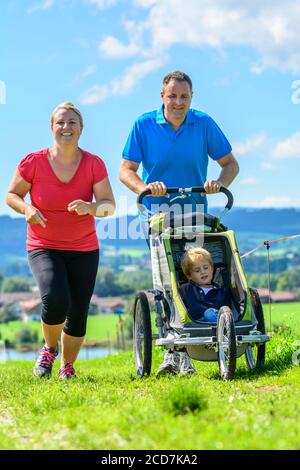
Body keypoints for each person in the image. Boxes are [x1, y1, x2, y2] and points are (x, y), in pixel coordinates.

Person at [119, 70, 239, 376]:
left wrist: (217, 183)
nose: (178, 102)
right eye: (172, 96)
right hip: (157, 216)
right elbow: (126, 170)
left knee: (192, 277)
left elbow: (230, 165)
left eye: (184, 97)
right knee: (165, 281)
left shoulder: (204, 123)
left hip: (195, 215)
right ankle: (172, 354)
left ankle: (191, 347)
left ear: (191, 98)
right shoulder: (143, 125)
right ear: (162, 96)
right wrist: (144, 188)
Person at [6, 102, 115, 379]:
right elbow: (12, 195)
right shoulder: (34, 162)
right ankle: (49, 349)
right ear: (52, 127)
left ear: (81, 129)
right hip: (43, 244)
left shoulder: (93, 164)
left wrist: (91, 208)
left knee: (78, 311)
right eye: (60, 123)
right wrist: (27, 209)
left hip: (84, 247)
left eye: (72, 123)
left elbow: (109, 206)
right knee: (55, 298)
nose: (66, 128)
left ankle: (67, 367)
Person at [180, 247, 231, 323]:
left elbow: (227, 312)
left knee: (211, 313)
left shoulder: (222, 292)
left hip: (217, 322)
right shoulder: (185, 289)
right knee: (208, 313)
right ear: (189, 276)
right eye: (197, 270)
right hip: (194, 322)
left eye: (206, 268)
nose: (203, 272)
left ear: (212, 269)